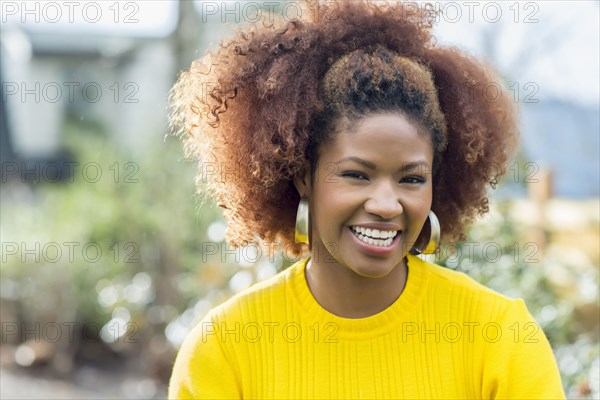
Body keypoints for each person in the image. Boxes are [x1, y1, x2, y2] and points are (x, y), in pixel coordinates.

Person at [167, 1, 565, 398]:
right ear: (304, 176)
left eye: (411, 178)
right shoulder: (225, 348)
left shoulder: (501, 338)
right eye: (357, 175)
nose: (387, 205)